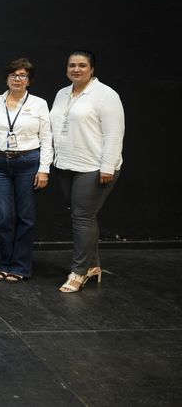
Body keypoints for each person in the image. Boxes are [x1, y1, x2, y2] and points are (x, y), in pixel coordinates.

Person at [50, 50, 124, 293]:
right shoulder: (62, 93)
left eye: (82, 65)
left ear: (92, 69)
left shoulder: (106, 95)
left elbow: (114, 134)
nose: (76, 69)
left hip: (94, 167)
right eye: (72, 65)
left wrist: (108, 166)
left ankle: (78, 272)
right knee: (83, 217)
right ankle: (93, 266)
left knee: (82, 218)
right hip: (66, 165)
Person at [0, 58, 52, 282]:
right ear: (6, 78)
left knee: (25, 217)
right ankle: (5, 263)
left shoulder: (39, 104)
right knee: (4, 216)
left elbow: (46, 138)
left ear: (29, 81)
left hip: (28, 163)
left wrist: (44, 170)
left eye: (22, 75)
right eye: (13, 74)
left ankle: (20, 266)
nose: (17, 78)